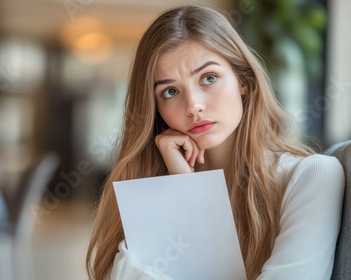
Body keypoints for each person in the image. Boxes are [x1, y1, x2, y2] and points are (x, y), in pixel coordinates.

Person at [86, 4, 345, 280]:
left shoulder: (313, 176)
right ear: (155, 108)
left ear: (243, 80)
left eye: (209, 78)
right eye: (170, 91)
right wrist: (184, 188)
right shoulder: (154, 184)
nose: (194, 105)